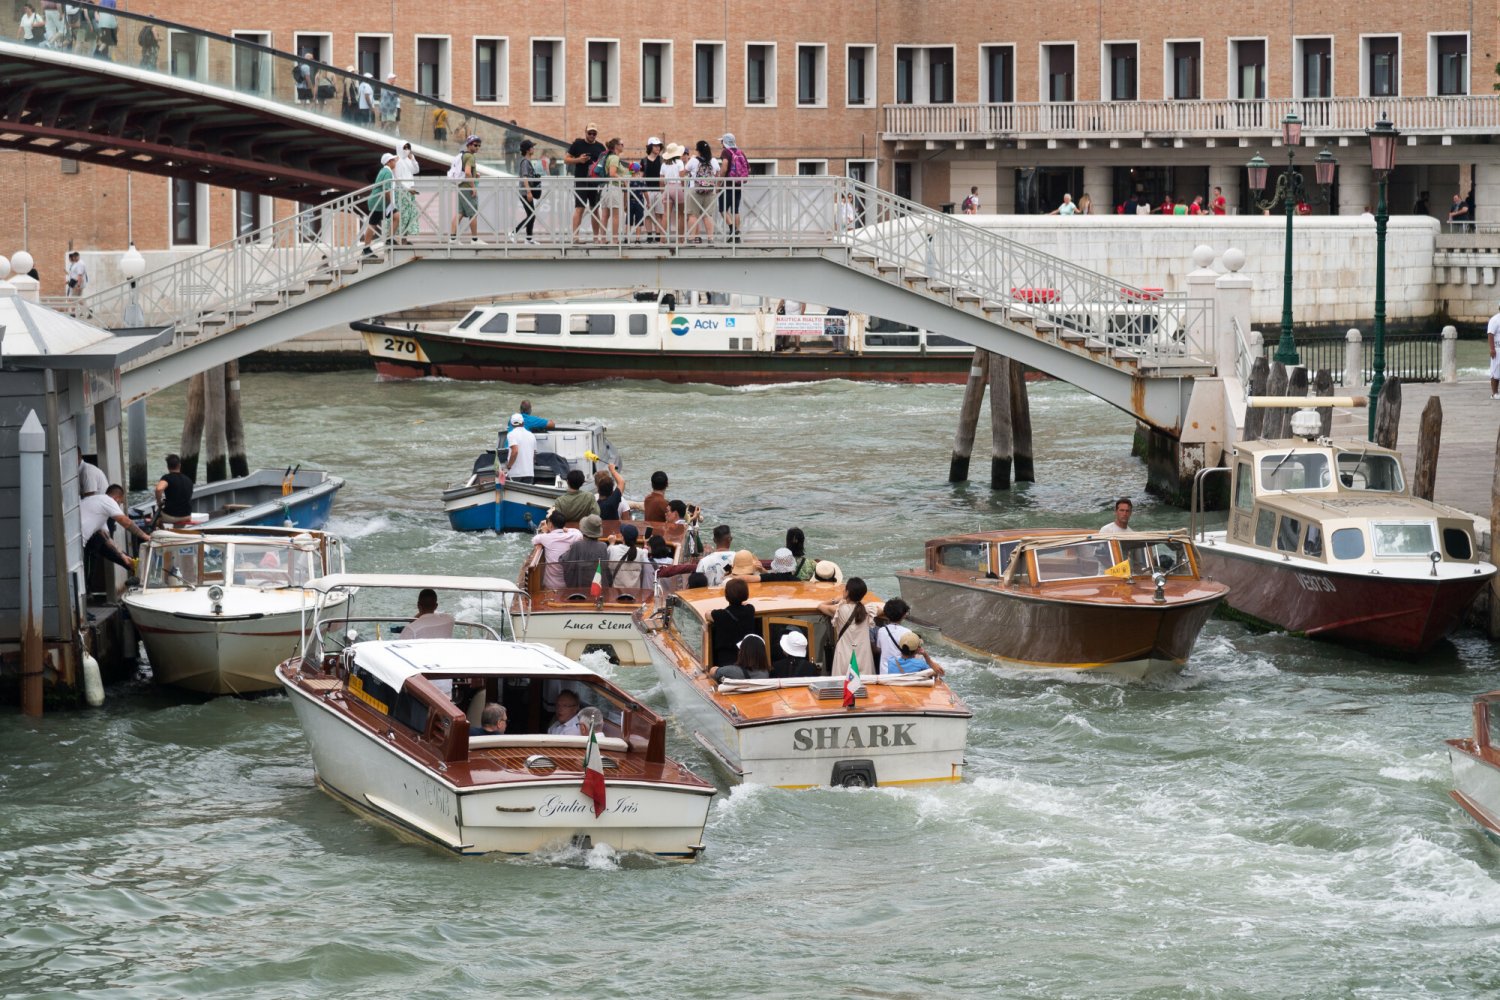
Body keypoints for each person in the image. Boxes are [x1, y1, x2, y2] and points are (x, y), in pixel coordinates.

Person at [82, 484, 150, 574]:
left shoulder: (97, 503)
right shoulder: (109, 501)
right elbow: (126, 522)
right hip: (78, 542)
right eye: (120, 503)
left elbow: (107, 539)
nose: (119, 505)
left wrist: (122, 556)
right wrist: (146, 537)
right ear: (117, 498)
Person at [818, 577, 873, 677]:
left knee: (843, 686)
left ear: (847, 592)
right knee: (865, 686)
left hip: (844, 655)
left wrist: (836, 600)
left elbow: (820, 606)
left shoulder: (839, 610)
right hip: (863, 655)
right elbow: (882, 609)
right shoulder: (868, 610)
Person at [566, 124, 606, 242]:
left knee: (595, 209)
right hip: (581, 180)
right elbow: (566, 159)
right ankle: (575, 237)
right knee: (579, 208)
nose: (592, 135)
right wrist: (579, 160)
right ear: (585, 132)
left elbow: (605, 163)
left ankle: (596, 238)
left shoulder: (600, 147)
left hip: (595, 182)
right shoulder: (577, 144)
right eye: (590, 133)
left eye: (594, 133)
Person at [709, 577, 757, 665]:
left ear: (726, 596)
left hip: (726, 660)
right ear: (746, 594)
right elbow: (747, 604)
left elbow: (707, 614)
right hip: (747, 659)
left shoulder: (720, 615)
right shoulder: (750, 610)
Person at [532, 512, 583, 589]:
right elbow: (578, 532)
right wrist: (565, 529)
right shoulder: (573, 536)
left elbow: (534, 540)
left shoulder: (545, 538)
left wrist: (545, 532)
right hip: (569, 583)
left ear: (550, 524)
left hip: (551, 585)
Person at [361, 153, 396, 257]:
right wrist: (391, 203)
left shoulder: (385, 170)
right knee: (373, 224)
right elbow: (386, 189)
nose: (395, 162)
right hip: (379, 201)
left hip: (379, 201)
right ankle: (366, 248)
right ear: (389, 162)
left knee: (395, 217)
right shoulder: (387, 172)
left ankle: (389, 240)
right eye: (393, 160)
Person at [449, 135, 482, 243]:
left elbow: (466, 172)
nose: (477, 147)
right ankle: (475, 239)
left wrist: (474, 174)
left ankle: (452, 239)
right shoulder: (470, 157)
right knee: (473, 213)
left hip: (461, 186)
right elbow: (467, 172)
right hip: (467, 188)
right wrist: (473, 188)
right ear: (469, 145)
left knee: (460, 213)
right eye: (475, 145)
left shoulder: (463, 155)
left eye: (479, 145)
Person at [561, 515, 609, 588]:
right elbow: (605, 567)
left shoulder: (577, 545)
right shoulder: (603, 546)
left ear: (583, 530)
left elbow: (563, 560)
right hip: (597, 588)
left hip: (580, 589)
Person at [685, 139, 719, 241]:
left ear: (698, 150)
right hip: (709, 191)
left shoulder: (694, 160)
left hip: (695, 190)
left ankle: (692, 238)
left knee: (692, 215)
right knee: (707, 215)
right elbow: (718, 174)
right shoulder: (713, 161)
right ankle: (710, 238)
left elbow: (684, 172)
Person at [718, 133, 750, 242]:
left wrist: (719, 182)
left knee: (722, 209)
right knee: (735, 210)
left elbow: (724, 167)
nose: (721, 143)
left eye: (722, 141)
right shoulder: (740, 152)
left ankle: (732, 229)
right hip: (738, 184)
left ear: (725, 142)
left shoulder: (726, 152)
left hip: (728, 185)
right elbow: (748, 168)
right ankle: (737, 235)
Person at [153, 453, 195, 528]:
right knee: (177, 516)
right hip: (187, 515)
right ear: (179, 465)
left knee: (156, 517)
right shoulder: (188, 480)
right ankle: (178, 532)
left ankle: (161, 534)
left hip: (171, 516)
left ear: (168, 467)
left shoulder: (167, 478)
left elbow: (159, 489)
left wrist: (159, 502)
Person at [606, 523, 651, 588]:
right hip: (635, 594)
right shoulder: (641, 553)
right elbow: (645, 552)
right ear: (636, 538)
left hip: (615, 594)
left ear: (622, 537)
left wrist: (611, 543)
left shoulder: (612, 549)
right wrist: (645, 543)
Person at [513, 138, 541, 242]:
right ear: (528, 150)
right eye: (532, 147)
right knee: (531, 215)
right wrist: (529, 192)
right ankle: (514, 233)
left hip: (526, 192)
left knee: (531, 215)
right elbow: (524, 177)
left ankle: (529, 239)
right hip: (525, 192)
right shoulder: (525, 162)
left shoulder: (527, 162)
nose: (534, 149)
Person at [392, 142, 419, 242]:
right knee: (401, 215)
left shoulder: (408, 159)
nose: (407, 149)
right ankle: (395, 238)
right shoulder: (396, 160)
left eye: (408, 147)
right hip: (401, 192)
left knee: (409, 215)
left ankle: (404, 239)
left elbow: (416, 170)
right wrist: (406, 189)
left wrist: (413, 159)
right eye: (404, 147)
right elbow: (397, 178)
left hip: (410, 191)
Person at [503, 413, 536, 484]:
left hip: (515, 473)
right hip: (529, 473)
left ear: (512, 424)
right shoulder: (532, 435)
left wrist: (508, 466)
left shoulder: (511, 434)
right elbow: (533, 455)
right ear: (523, 422)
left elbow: (515, 451)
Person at [1488, 303, 1500, 400]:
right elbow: (1490, 334)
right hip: (1497, 349)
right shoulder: (1495, 319)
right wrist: (1492, 349)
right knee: (1495, 371)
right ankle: (1495, 393)